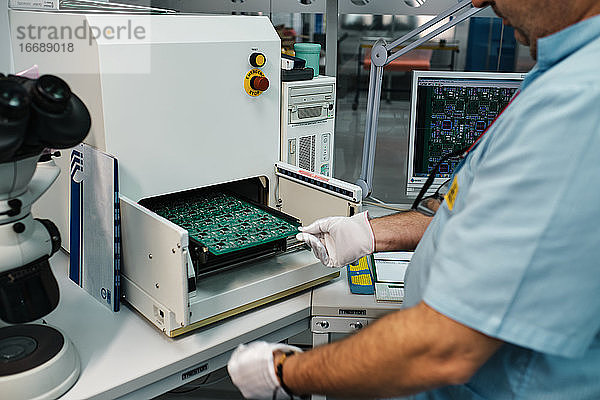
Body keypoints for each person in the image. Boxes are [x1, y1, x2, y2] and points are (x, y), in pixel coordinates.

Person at [227, 0, 600, 398]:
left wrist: (284, 372)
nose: (478, 2)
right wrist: (370, 233)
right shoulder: (560, 75)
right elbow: (482, 209)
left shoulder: (580, 98)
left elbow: (442, 348)